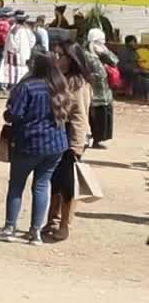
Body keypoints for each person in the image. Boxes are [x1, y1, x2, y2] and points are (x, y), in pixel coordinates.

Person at [0, 51, 69, 244]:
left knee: (16, 185)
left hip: (29, 143)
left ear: (35, 65)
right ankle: (36, 231)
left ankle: (10, 227)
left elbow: (16, 114)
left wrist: (7, 114)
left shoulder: (28, 86)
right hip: (55, 144)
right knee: (42, 185)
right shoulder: (59, 85)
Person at [42, 41, 92, 243]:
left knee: (68, 185)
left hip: (71, 136)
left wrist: (76, 145)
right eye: (55, 53)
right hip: (55, 134)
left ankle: (65, 224)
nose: (56, 57)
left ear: (71, 58)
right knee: (53, 180)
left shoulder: (78, 84)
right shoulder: (55, 78)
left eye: (60, 54)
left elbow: (80, 116)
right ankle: (52, 220)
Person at [84, 28, 117, 149]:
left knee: (104, 118)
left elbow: (115, 61)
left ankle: (98, 140)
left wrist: (105, 52)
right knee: (94, 118)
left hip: (105, 92)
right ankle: (91, 139)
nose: (101, 44)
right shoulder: (86, 54)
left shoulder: (101, 53)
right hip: (94, 93)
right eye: (99, 42)